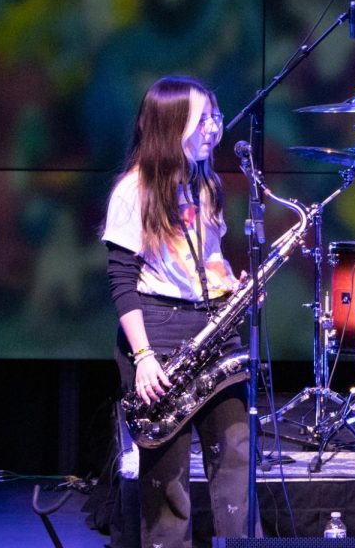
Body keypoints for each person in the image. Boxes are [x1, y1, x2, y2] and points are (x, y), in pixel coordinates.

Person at [102, 76, 260, 545]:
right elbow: (121, 281)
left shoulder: (206, 183)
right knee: (166, 477)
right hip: (159, 333)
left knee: (236, 453)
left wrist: (234, 285)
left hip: (214, 329)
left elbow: (209, 258)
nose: (216, 128)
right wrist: (144, 356)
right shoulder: (133, 192)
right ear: (173, 125)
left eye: (215, 116)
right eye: (204, 119)